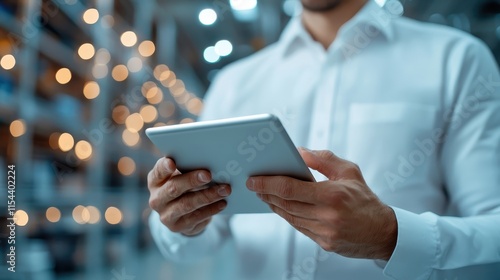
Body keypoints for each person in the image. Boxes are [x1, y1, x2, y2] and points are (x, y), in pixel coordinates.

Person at [148, 0, 500, 279]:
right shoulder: (234, 83)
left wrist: (391, 235)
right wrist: (180, 220)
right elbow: (202, 239)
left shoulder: (456, 61)